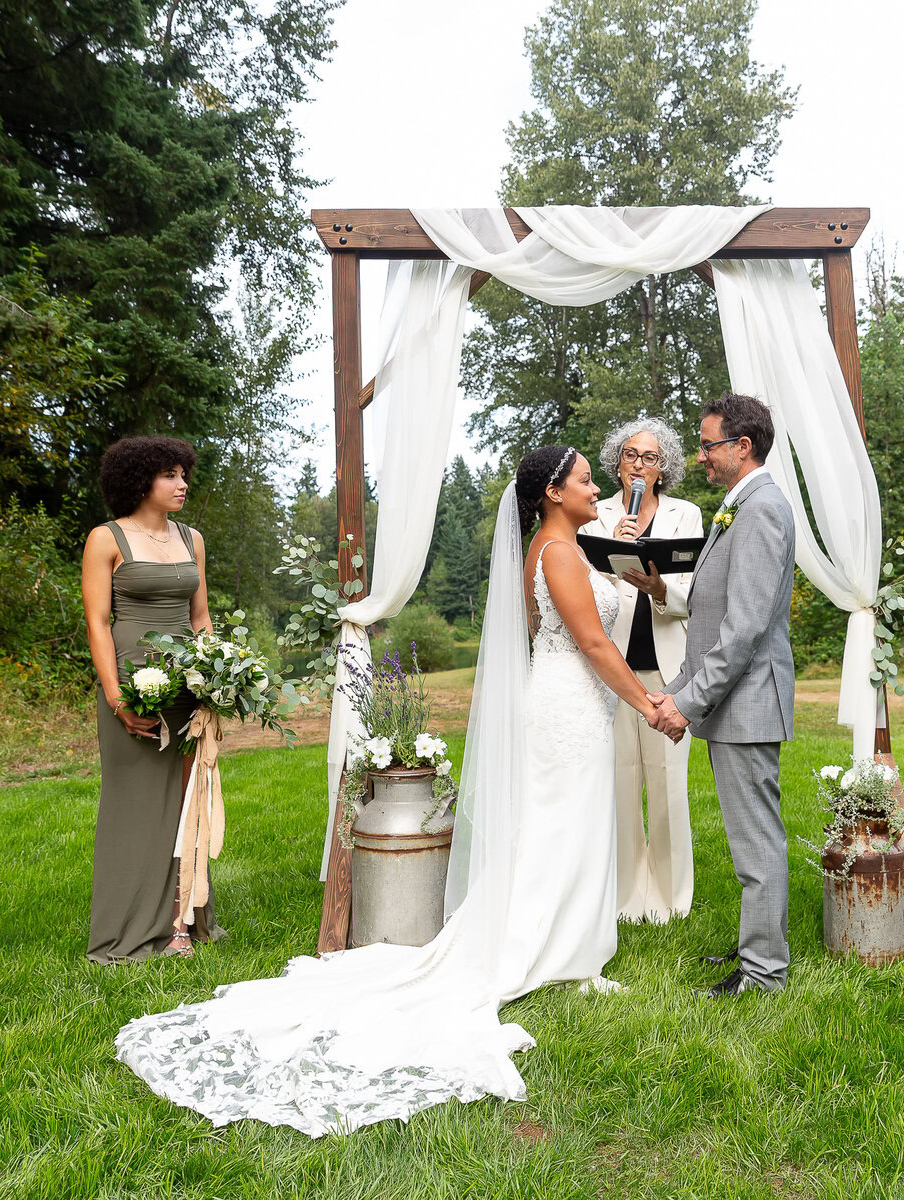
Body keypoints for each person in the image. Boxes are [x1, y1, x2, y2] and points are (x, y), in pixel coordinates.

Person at [114, 446, 678, 1134]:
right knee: (561, 827)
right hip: (568, 702)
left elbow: (550, 632)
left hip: (569, 701)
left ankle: (568, 945)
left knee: (566, 827)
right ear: (555, 492)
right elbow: (590, 645)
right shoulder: (558, 555)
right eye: (588, 479)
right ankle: (551, 949)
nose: (600, 487)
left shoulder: (556, 548)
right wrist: (650, 704)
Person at [648, 393, 798, 997]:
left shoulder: (760, 509)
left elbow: (744, 631)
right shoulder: (738, 506)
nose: (702, 456)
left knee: (757, 842)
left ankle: (764, 975)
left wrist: (685, 703)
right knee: (748, 840)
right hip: (730, 700)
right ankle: (755, 948)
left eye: (709, 444)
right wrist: (676, 691)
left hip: (748, 701)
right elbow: (710, 623)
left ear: (743, 446)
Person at [81, 436, 217, 963]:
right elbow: (98, 622)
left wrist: (216, 679)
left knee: (188, 803)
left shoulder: (192, 539)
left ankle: (182, 921)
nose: (182, 484)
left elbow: (199, 616)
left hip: (189, 686)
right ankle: (129, 926)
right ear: (140, 481)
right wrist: (117, 699)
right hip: (133, 688)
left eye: (184, 474)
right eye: (170, 475)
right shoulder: (106, 539)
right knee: (134, 807)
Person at [582, 417, 702, 922]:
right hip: (613, 670)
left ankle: (671, 899)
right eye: (630, 454)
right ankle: (627, 898)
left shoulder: (686, 515)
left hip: (668, 668)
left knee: (669, 781)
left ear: (664, 468)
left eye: (649, 457)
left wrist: (661, 591)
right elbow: (579, 593)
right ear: (617, 462)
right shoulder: (594, 516)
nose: (638, 464)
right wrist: (614, 543)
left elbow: (695, 591)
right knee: (621, 779)